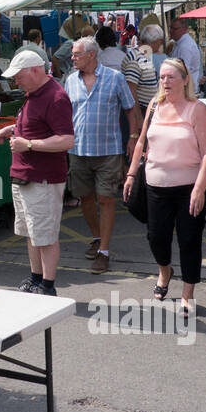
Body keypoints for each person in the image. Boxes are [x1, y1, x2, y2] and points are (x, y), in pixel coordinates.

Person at [123, 58, 206, 314]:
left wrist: (199, 188)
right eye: (162, 77)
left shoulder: (197, 109)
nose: (165, 82)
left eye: (171, 77)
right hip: (155, 184)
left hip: (189, 186)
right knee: (157, 237)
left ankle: (188, 293)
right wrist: (131, 174)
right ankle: (165, 271)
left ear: (185, 79)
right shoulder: (154, 105)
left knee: (189, 240)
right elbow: (141, 142)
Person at [0, 50, 74, 295]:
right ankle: (36, 279)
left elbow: (66, 140)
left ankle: (48, 285)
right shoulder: (34, 94)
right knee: (30, 232)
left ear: (35, 71)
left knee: (44, 235)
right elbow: (35, 125)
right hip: (25, 176)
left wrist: (27, 144)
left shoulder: (56, 97)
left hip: (42, 178)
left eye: (19, 77)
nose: (15, 82)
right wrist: (11, 128)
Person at [65, 36, 139, 274]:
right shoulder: (70, 81)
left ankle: (104, 251)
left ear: (91, 55)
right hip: (78, 150)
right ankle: (97, 238)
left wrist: (133, 137)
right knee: (85, 197)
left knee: (106, 199)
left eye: (76, 54)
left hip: (108, 149)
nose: (72, 58)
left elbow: (130, 108)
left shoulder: (114, 78)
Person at [122, 24, 164, 111]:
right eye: (160, 42)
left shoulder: (143, 55)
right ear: (156, 41)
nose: (161, 45)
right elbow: (131, 92)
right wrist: (138, 119)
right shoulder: (137, 58)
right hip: (141, 111)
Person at [167, 17, 202, 92]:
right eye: (170, 28)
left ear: (184, 29)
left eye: (175, 29)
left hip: (186, 91)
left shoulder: (185, 46)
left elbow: (183, 70)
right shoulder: (179, 43)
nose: (171, 31)